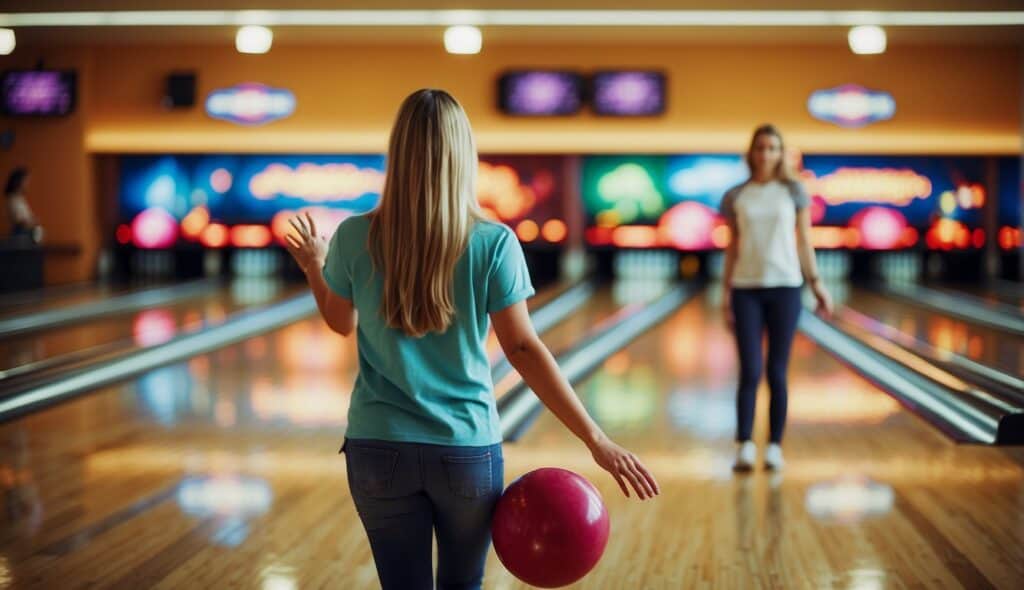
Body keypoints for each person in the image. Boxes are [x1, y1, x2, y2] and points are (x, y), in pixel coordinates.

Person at [284, 89, 659, 590]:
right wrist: (596, 439)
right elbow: (523, 350)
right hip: (465, 452)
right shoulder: (493, 242)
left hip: (378, 447)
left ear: (397, 153)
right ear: (464, 156)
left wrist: (314, 263)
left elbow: (339, 321)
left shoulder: (353, 236)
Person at [720, 124, 833, 472]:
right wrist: (725, 292)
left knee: (777, 371)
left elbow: (804, 241)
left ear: (781, 153)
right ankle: (744, 444)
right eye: (761, 148)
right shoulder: (737, 195)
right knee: (750, 370)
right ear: (751, 152)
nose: (766, 154)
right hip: (745, 288)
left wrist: (816, 284)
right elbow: (733, 246)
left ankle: (773, 446)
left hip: (786, 287)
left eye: (773, 148)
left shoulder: (794, 192)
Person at [4, 167, 42, 242]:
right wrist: (33, 221)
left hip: (26, 236)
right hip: (21, 237)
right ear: (18, 181)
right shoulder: (12, 199)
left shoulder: (20, 199)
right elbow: (20, 221)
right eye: (25, 181)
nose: (27, 184)